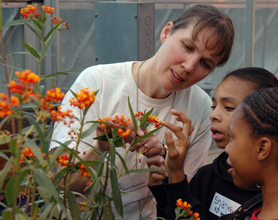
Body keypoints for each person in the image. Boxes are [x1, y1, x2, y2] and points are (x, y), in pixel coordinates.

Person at [49, 4, 234, 220]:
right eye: (188, 47)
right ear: (166, 32)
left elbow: (183, 203)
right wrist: (100, 147)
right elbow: (59, 182)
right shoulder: (97, 82)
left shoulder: (199, 106)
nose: (190, 66)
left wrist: (168, 165)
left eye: (205, 63)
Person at [159, 87, 278, 220]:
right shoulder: (251, 211)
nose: (228, 149)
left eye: (233, 138)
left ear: (262, 149)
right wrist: (175, 171)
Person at [147, 67, 278, 219]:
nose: (213, 115)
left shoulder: (274, 199)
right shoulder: (206, 177)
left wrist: (177, 175)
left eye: (229, 108)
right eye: (213, 106)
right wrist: (165, 189)